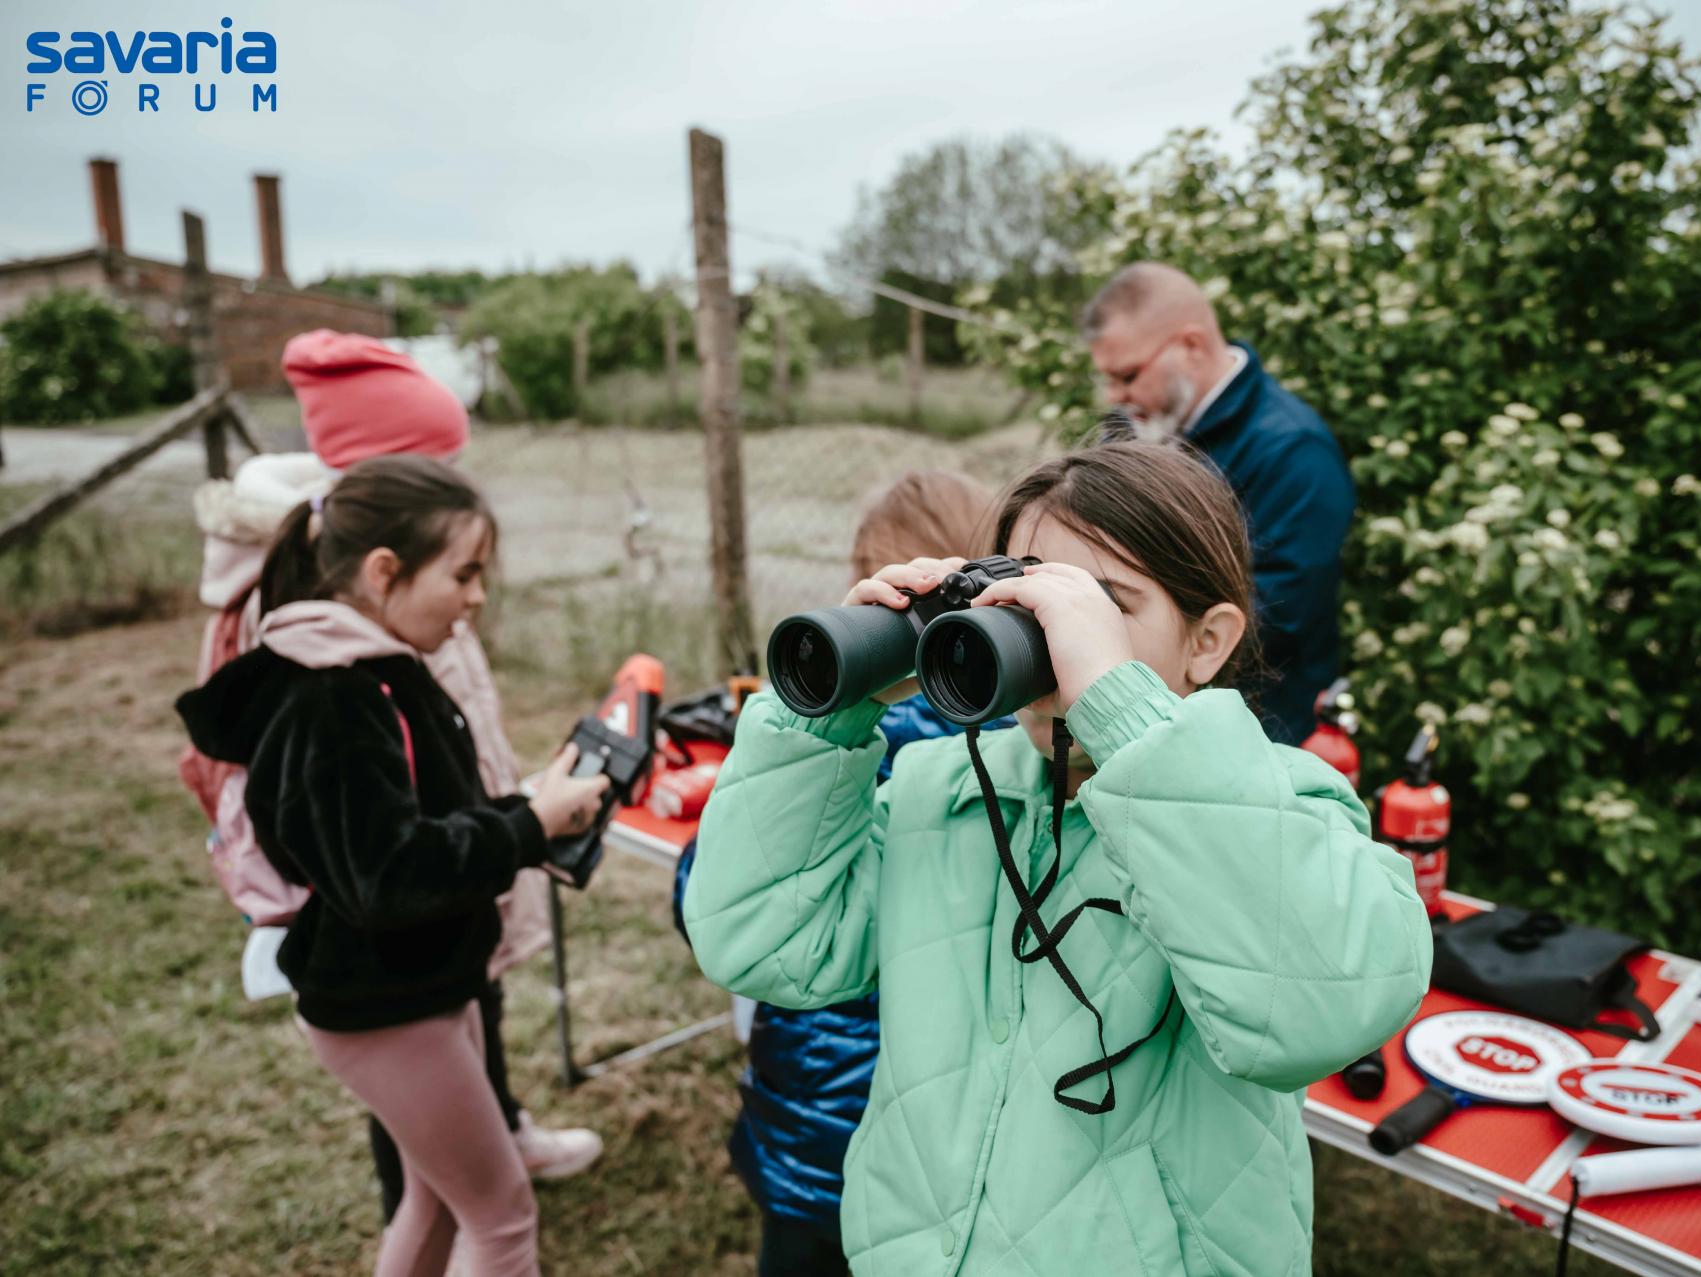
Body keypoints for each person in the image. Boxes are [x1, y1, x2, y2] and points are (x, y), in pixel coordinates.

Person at [685, 441, 1430, 1276]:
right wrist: (822, 717)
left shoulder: (1285, 803)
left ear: (1207, 641)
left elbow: (1316, 1017)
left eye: (1100, 606)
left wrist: (1120, 707)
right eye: (1025, 597)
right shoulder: (937, 791)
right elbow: (765, 944)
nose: (1052, 638)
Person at [178, 330, 602, 1209]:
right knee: (430, 1111)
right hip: (394, 949)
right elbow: (373, 847)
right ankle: (450, 1173)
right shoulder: (337, 660)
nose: (453, 485)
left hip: (455, 870)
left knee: (475, 1003)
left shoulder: (405, 595)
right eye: (433, 466)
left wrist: (517, 807)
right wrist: (520, 825)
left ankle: (490, 1133)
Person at [672, 469, 1004, 1277]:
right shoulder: (1018, 736)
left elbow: (703, 892)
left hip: (809, 1095)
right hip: (938, 1130)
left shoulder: (843, 728)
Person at [1082, 261, 1355, 745]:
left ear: (1190, 346)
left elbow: (1278, 614)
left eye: (1126, 376)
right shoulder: (1133, 425)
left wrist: (1113, 634)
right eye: (1107, 379)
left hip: (1258, 734)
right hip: (1141, 715)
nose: (1115, 396)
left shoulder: (1293, 451)